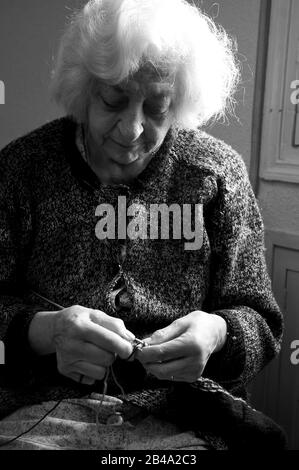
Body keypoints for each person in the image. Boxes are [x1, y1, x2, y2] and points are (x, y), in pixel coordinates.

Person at [0, 0, 286, 450]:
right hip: (37, 416)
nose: (132, 130)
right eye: (113, 100)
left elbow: (262, 323)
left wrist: (218, 335)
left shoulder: (216, 174)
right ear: (83, 89)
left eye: (157, 108)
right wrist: (43, 332)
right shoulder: (20, 171)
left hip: (187, 416)